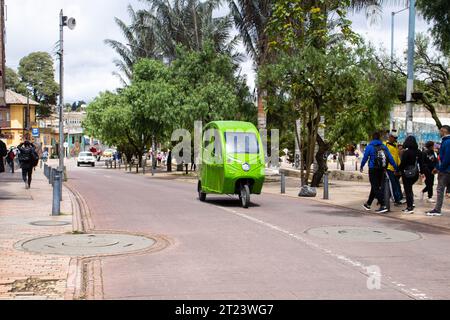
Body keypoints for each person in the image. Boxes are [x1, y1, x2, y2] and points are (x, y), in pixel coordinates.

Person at [360, 132, 400, 213]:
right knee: (374, 187)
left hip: (373, 169)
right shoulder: (384, 147)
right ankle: (368, 204)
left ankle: (383, 205)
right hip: (382, 169)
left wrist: (361, 166)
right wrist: (396, 168)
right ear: (379, 138)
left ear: (372, 138)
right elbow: (390, 158)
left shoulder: (370, 147)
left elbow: (365, 158)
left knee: (375, 187)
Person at [426, 125, 450, 216]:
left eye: (440, 131)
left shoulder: (447, 142)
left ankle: (437, 210)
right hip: (445, 169)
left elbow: (447, 158)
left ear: (443, 131)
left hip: (446, 170)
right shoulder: (445, 141)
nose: (439, 133)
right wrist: (437, 167)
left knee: (440, 189)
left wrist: (440, 169)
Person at [398, 135, 424, 214]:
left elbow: (403, 164)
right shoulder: (419, 152)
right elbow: (422, 164)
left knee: (408, 190)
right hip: (415, 173)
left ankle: (409, 208)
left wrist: (398, 170)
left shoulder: (406, 152)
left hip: (407, 173)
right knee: (409, 189)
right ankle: (411, 204)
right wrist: (422, 172)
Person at [384, 132, 404, 205]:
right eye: (394, 138)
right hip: (388, 167)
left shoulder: (395, 145)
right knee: (392, 184)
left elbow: (397, 157)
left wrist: (399, 166)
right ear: (390, 137)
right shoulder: (385, 144)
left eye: (396, 138)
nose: (395, 139)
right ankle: (396, 199)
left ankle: (398, 197)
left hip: (395, 168)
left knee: (396, 184)